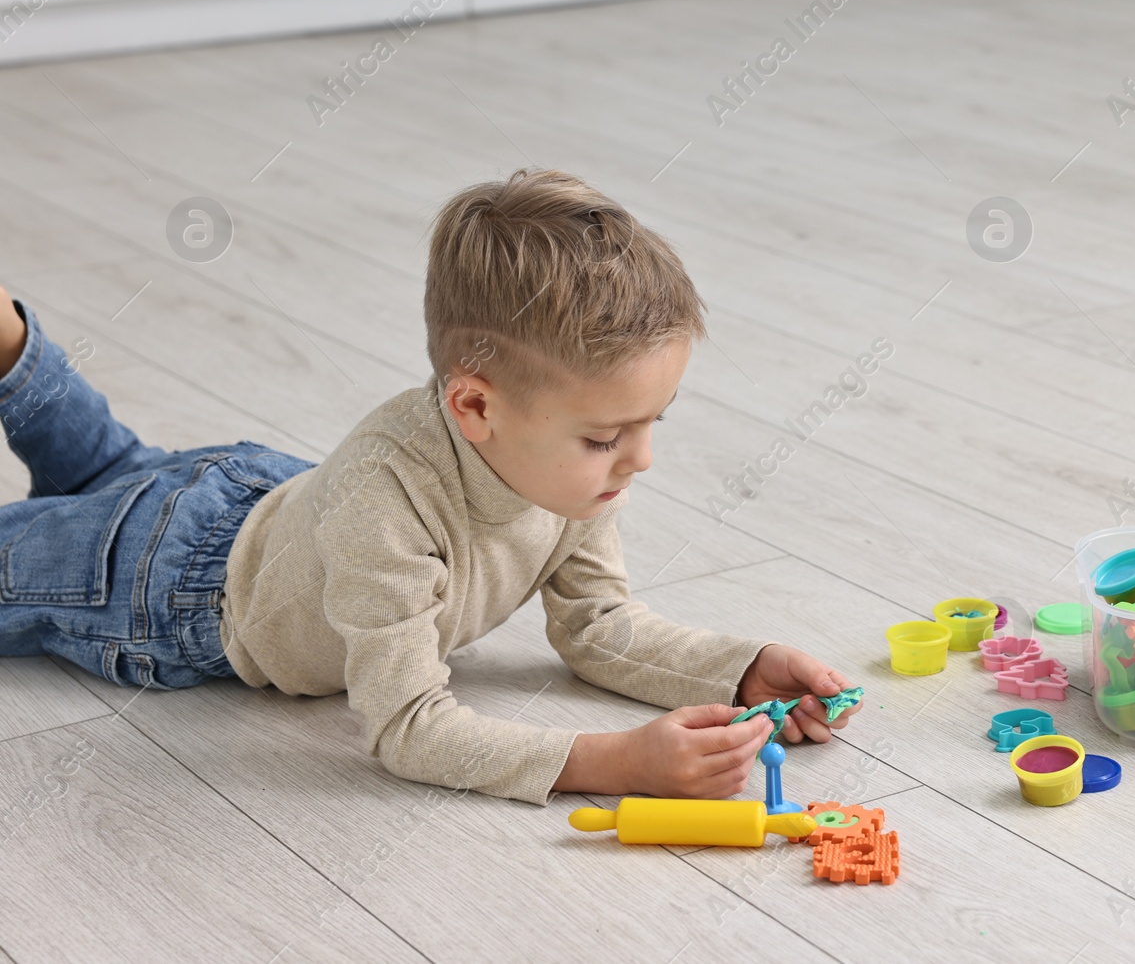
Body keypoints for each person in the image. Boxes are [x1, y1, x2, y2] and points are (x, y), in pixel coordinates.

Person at [0, 167, 857, 805]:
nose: (639, 460)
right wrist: (611, 762)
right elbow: (405, 725)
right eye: (605, 436)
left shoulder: (573, 479)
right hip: (167, 592)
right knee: (99, 515)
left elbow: (599, 626)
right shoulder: (389, 504)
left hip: (259, 499)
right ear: (475, 405)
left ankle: (13, 346)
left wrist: (738, 670)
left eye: (651, 423)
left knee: (113, 470)